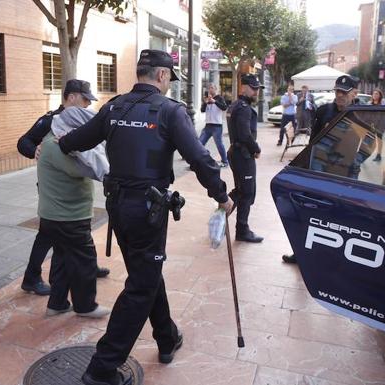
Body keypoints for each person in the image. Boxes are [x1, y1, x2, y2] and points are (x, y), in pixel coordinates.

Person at [58, 49, 234, 385]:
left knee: (146, 270)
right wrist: (222, 195)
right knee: (141, 284)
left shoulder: (114, 106)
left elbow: (77, 140)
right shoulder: (169, 111)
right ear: (163, 75)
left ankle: (167, 337)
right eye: (170, 79)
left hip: (118, 208)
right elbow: (199, 158)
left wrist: (55, 142)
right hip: (147, 212)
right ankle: (102, 368)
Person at [17, 79, 110, 296]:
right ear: (71, 96)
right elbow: (23, 142)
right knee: (48, 233)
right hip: (56, 188)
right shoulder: (50, 121)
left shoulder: (83, 120)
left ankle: (89, 266)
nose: (88, 104)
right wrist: (35, 150)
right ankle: (31, 277)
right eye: (85, 99)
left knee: (80, 227)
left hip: (75, 186)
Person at [37, 105, 111, 319]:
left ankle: (57, 303)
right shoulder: (55, 145)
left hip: (58, 215)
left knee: (62, 259)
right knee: (85, 261)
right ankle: (86, 306)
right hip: (67, 216)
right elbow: (89, 170)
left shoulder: (55, 141)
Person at [282, 74, 360, 264]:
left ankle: (333, 256)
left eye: (344, 92)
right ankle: (301, 252)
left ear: (354, 93)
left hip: (346, 173)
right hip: (322, 171)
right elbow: (313, 141)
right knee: (311, 213)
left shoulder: (361, 113)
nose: (340, 95)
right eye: (338, 91)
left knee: (341, 217)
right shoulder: (324, 111)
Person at [226, 73, 264, 243]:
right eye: (254, 88)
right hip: (242, 155)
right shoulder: (243, 108)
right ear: (244, 87)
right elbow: (244, 134)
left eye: (257, 89)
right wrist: (255, 149)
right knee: (247, 192)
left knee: (241, 191)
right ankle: (242, 230)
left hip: (237, 153)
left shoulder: (235, 105)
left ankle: (219, 219)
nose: (256, 92)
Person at [199, 83, 229, 167]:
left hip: (217, 126)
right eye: (209, 88)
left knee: (219, 144)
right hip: (208, 125)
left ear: (216, 89)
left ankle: (225, 161)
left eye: (212, 88)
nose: (210, 89)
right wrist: (205, 102)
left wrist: (214, 101)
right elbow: (202, 110)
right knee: (199, 143)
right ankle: (200, 160)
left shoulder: (220, 98)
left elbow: (224, 107)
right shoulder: (207, 99)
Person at [370, 88, 385, 162]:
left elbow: (383, 115)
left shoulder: (382, 104)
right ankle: (363, 153)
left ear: (380, 96)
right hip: (371, 124)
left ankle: (379, 155)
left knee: (379, 139)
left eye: (377, 94)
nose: (375, 95)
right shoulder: (369, 103)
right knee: (368, 139)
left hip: (380, 124)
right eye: (374, 93)